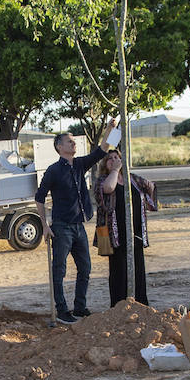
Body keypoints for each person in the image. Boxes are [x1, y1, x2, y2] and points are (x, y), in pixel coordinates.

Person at [35, 126, 115, 324]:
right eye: (69, 141)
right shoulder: (53, 171)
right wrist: (45, 225)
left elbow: (102, 149)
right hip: (61, 227)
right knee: (59, 270)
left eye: (73, 141)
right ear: (59, 147)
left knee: (85, 268)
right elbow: (39, 198)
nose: (74, 143)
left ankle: (80, 307)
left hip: (79, 225)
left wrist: (110, 129)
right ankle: (62, 311)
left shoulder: (80, 164)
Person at [94, 149, 157, 307]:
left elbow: (150, 187)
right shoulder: (103, 180)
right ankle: (120, 306)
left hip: (135, 231)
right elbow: (108, 188)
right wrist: (115, 171)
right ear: (104, 163)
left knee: (138, 268)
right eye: (110, 159)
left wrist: (147, 197)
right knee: (119, 270)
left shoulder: (132, 179)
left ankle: (141, 304)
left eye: (117, 157)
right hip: (115, 235)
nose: (114, 160)